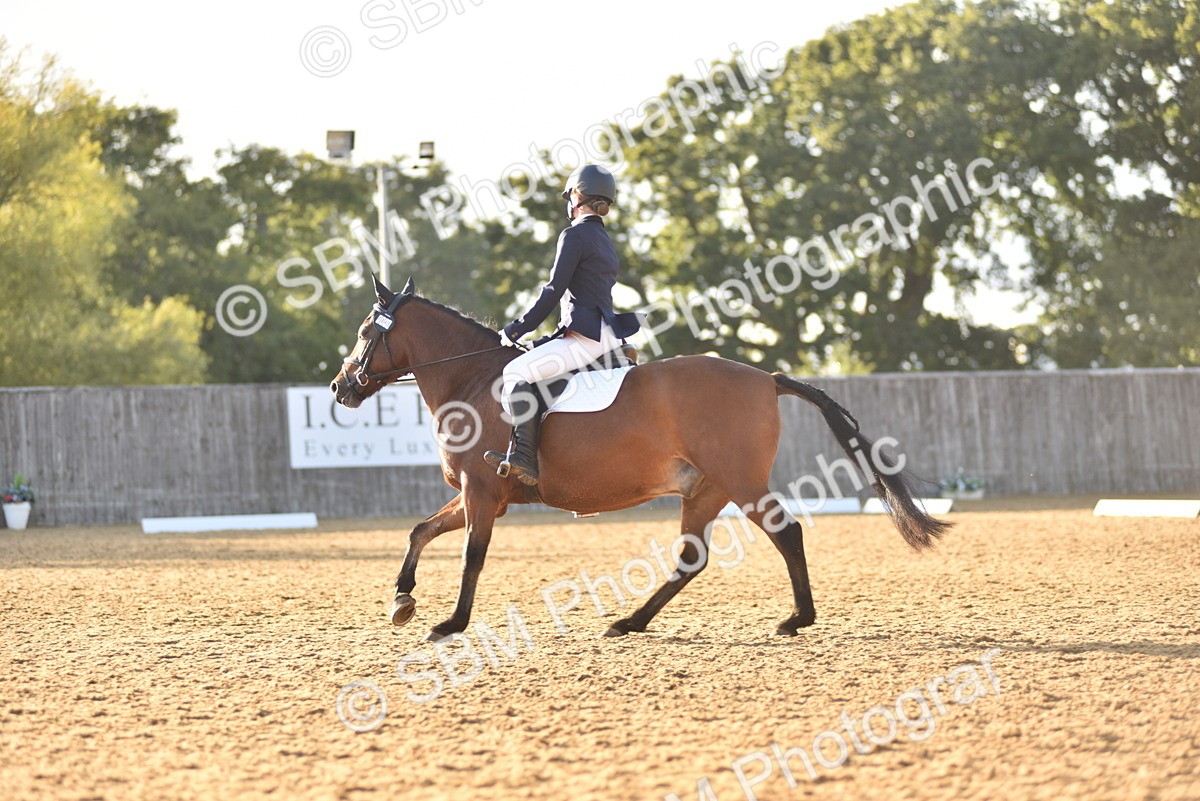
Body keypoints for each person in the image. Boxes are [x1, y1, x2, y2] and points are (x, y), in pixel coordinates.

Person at [483, 164, 641, 486]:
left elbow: (554, 290)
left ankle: (525, 459)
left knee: (515, 372)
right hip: (608, 334)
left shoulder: (574, 235)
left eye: (569, 196)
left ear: (577, 196)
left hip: (586, 338)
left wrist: (517, 329)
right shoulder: (604, 239)